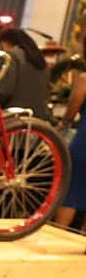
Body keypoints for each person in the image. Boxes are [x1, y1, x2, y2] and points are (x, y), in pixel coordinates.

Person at [55, 37, 86, 230]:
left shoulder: (84, 78)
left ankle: (59, 232)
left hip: (84, 142)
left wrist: (63, 123)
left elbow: (74, 104)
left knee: (71, 192)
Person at [0, 27, 52, 121]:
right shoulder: (40, 60)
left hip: (13, 121)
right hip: (37, 122)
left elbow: (4, 91)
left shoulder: (10, 56)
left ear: (4, 42)